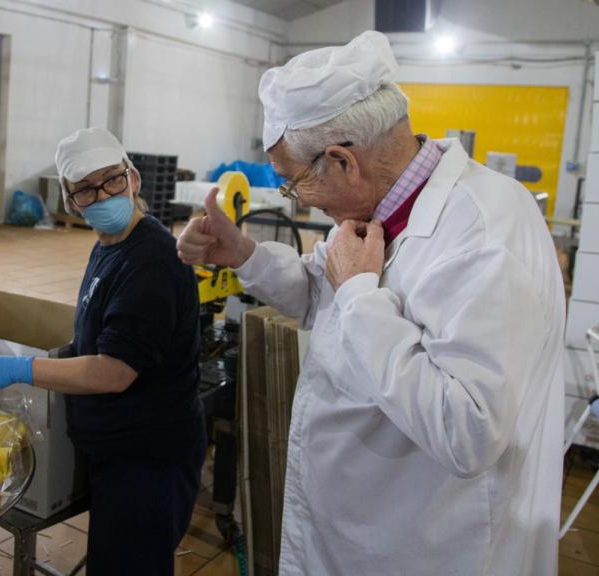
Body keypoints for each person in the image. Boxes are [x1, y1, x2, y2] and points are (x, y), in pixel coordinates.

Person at [177, 31, 564, 575]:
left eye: (292, 184)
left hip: (424, 542)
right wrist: (241, 253)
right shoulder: (380, 208)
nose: (295, 198)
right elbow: (321, 291)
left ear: (341, 161)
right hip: (359, 524)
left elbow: (468, 431)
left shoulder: (481, 234)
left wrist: (361, 298)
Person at [0, 127, 207, 574]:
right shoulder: (109, 246)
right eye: (86, 190)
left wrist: (23, 368)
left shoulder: (151, 260)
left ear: (132, 178)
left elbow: (114, 372)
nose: (103, 195)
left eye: (111, 180)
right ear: (70, 201)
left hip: (149, 457)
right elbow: (97, 338)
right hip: (117, 450)